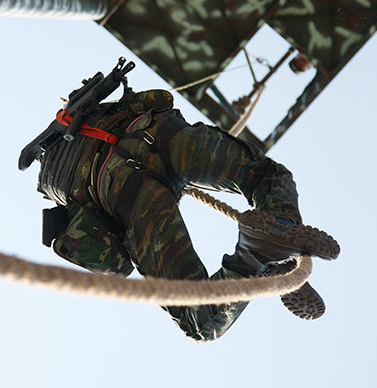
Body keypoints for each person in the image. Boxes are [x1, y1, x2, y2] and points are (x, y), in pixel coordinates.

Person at [28, 84, 331, 344]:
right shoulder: (92, 111)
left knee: (200, 321)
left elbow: (101, 248)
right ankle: (277, 231)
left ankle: (255, 257)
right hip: (158, 134)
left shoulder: (58, 183)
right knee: (267, 177)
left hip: (125, 192)